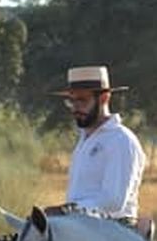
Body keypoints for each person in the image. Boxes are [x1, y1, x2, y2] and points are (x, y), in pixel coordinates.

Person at [50, 65, 146, 230]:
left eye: (82, 100)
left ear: (104, 98)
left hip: (116, 234)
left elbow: (113, 201)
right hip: (85, 229)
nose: (75, 107)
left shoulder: (120, 140)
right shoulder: (85, 140)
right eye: (71, 101)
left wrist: (65, 211)